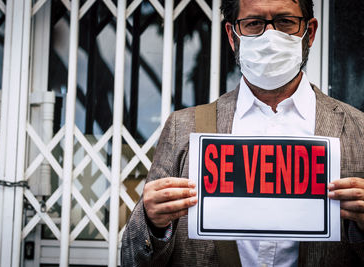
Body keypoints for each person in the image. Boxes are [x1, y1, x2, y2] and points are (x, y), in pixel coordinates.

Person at [121, 0, 364, 266]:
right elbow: (133, 258)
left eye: (285, 22)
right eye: (253, 23)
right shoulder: (183, 128)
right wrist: (153, 222)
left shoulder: (358, 130)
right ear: (232, 35)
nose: (270, 36)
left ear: (310, 31)